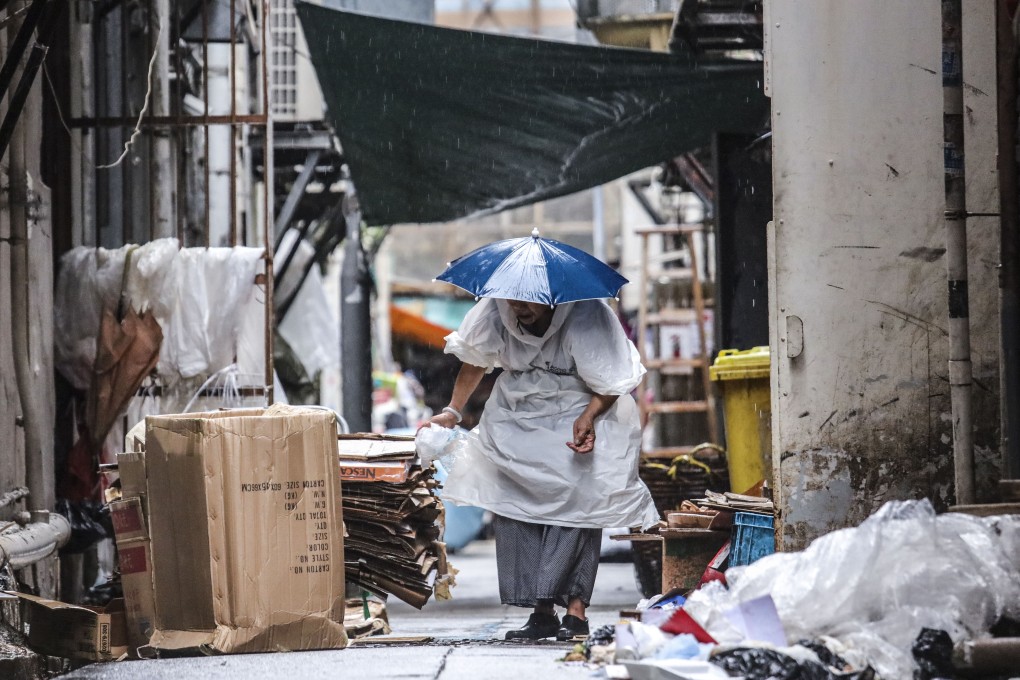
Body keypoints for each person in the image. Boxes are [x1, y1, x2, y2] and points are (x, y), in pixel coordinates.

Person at [428, 296, 659, 641]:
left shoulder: (587, 313)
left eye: (528, 303)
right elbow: (475, 361)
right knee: (517, 507)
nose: (518, 307)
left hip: (577, 410)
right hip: (516, 415)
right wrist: (453, 411)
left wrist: (589, 416)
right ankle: (542, 612)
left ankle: (576, 613)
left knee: (577, 509)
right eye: (512, 301)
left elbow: (612, 380)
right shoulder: (495, 310)